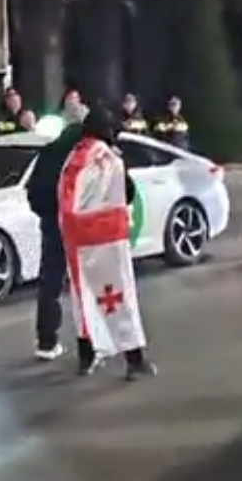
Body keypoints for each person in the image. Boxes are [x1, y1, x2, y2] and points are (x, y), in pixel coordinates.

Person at [58, 106, 156, 378]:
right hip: (109, 237)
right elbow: (127, 191)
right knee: (118, 298)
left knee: (84, 297)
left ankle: (86, 356)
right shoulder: (110, 158)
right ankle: (134, 361)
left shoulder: (74, 156)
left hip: (78, 239)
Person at [26, 102, 88, 360]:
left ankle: (47, 342)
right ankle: (91, 345)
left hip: (54, 226)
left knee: (50, 283)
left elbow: (34, 192)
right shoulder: (88, 153)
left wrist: (50, 216)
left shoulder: (49, 152)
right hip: (86, 227)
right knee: (87, 285)